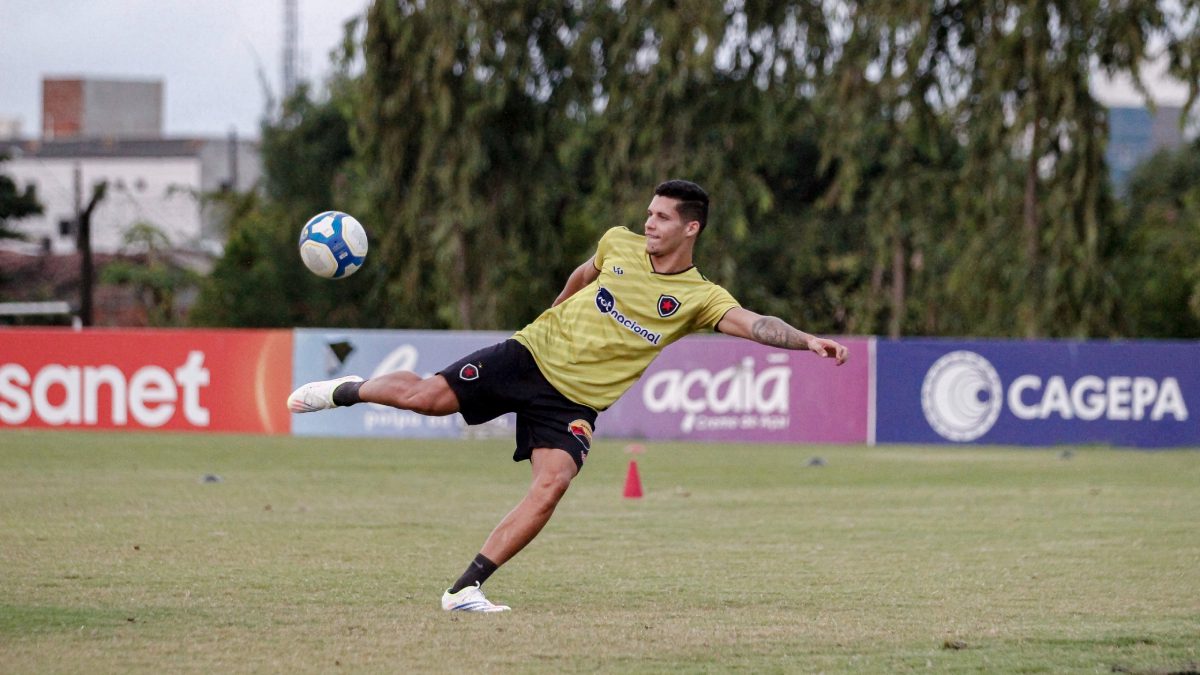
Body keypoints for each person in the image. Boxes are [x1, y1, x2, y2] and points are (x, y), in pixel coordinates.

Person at [287, 179, 849, 612]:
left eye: (661, 217)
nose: (648, 223)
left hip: (574, 404)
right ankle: (346, 389)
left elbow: (756, 324)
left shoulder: (700, 298)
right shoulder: (618, 243)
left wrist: (807, 341)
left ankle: (465, 589)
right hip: (530, 355)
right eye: (649, 214)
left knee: (552, 484)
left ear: (691, 229)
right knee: (427, 399)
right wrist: (558, 301)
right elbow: (588, 270)